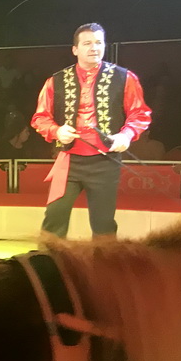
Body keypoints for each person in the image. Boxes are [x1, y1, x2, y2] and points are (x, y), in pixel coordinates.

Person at [30, 23, 151, 238]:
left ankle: (103, 269)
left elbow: (139, 114)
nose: (93, 48)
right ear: (75, 49)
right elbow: (40, 118)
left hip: (105, 161)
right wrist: (57, 131)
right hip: (68, 160)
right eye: (87, 43)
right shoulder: (55, 81)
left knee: (103, 223)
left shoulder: (124, 78)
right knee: (54, 217)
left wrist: (126, 134)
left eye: (98, 43)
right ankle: (48, 264)